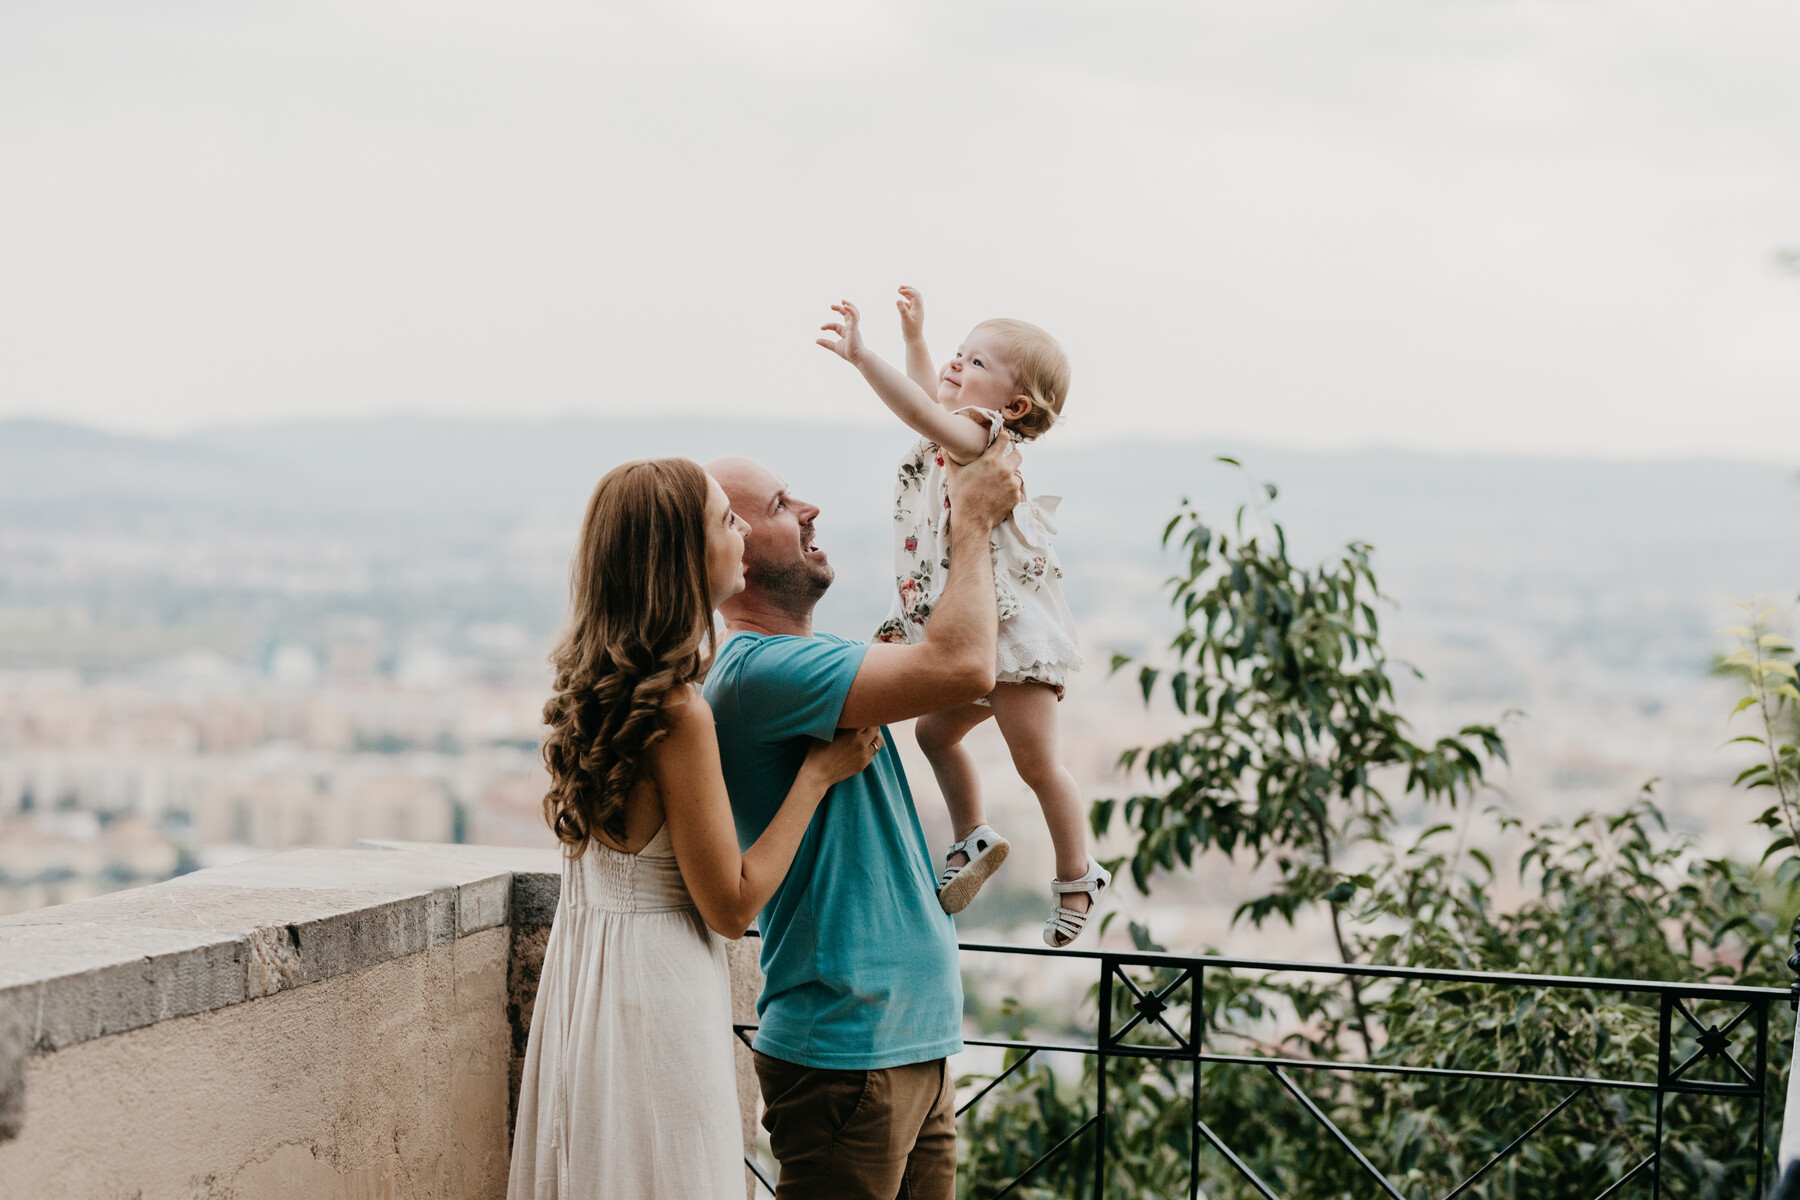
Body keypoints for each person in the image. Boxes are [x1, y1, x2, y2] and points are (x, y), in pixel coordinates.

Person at [507, 457, 883, 1200]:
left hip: (590, 980)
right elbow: (732, 904)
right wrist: (815, 777)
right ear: (680, 556)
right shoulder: (679, 713)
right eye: (725, 520)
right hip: (657, 994)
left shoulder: (593, 690)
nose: (741, 531)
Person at [703, 437, 1023, 1200]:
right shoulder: (759, 674)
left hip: (908, 1041)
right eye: (780, 505)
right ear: (732, 550)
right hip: (847, 1052)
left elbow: (966, 673)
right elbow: (962, 666)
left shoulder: (813, 663)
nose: (810, 510)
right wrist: (970, 521)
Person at [816, 287, 1108, 948]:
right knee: (933, 736)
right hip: (968, 623)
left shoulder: (982, 436)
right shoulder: (957, 430)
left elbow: (920, 401)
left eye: (975, 363)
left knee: (1038, 765)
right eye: (959, 354)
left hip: (1008, 633)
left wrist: (865, 358)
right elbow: (929, 392)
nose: (955, 366)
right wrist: (918, 341)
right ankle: (973, 833)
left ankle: (1078, 873)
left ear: (1014, 406)